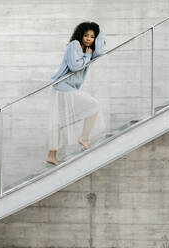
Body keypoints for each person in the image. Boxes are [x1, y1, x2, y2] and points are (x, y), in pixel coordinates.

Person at [46, 21, 106, 166]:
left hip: (66, 87)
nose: (88, 38)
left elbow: (100, 51)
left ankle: (51, 155)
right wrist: (86, 56)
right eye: (86, 35)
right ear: (81, 35)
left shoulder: (89, 51)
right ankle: (84, 138)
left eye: (92, 37)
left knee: (58, 123)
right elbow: (74, 66)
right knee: (94, 105)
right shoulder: (74, 45)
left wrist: (100, 32)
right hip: (63, 85)